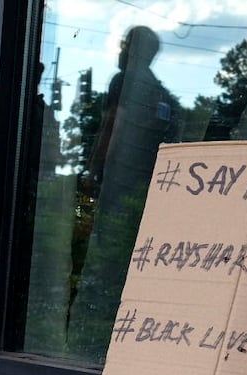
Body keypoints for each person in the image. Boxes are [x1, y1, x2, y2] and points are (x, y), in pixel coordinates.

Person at [66, 25, 174, 355]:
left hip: (121, 184)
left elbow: (115, 125)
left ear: (134, 51)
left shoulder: (124, 82)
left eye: (124, 45)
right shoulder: (161, 92)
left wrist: (94, 170)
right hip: (146, 190)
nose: (119, 50)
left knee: (104, 254)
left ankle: (95, 332)